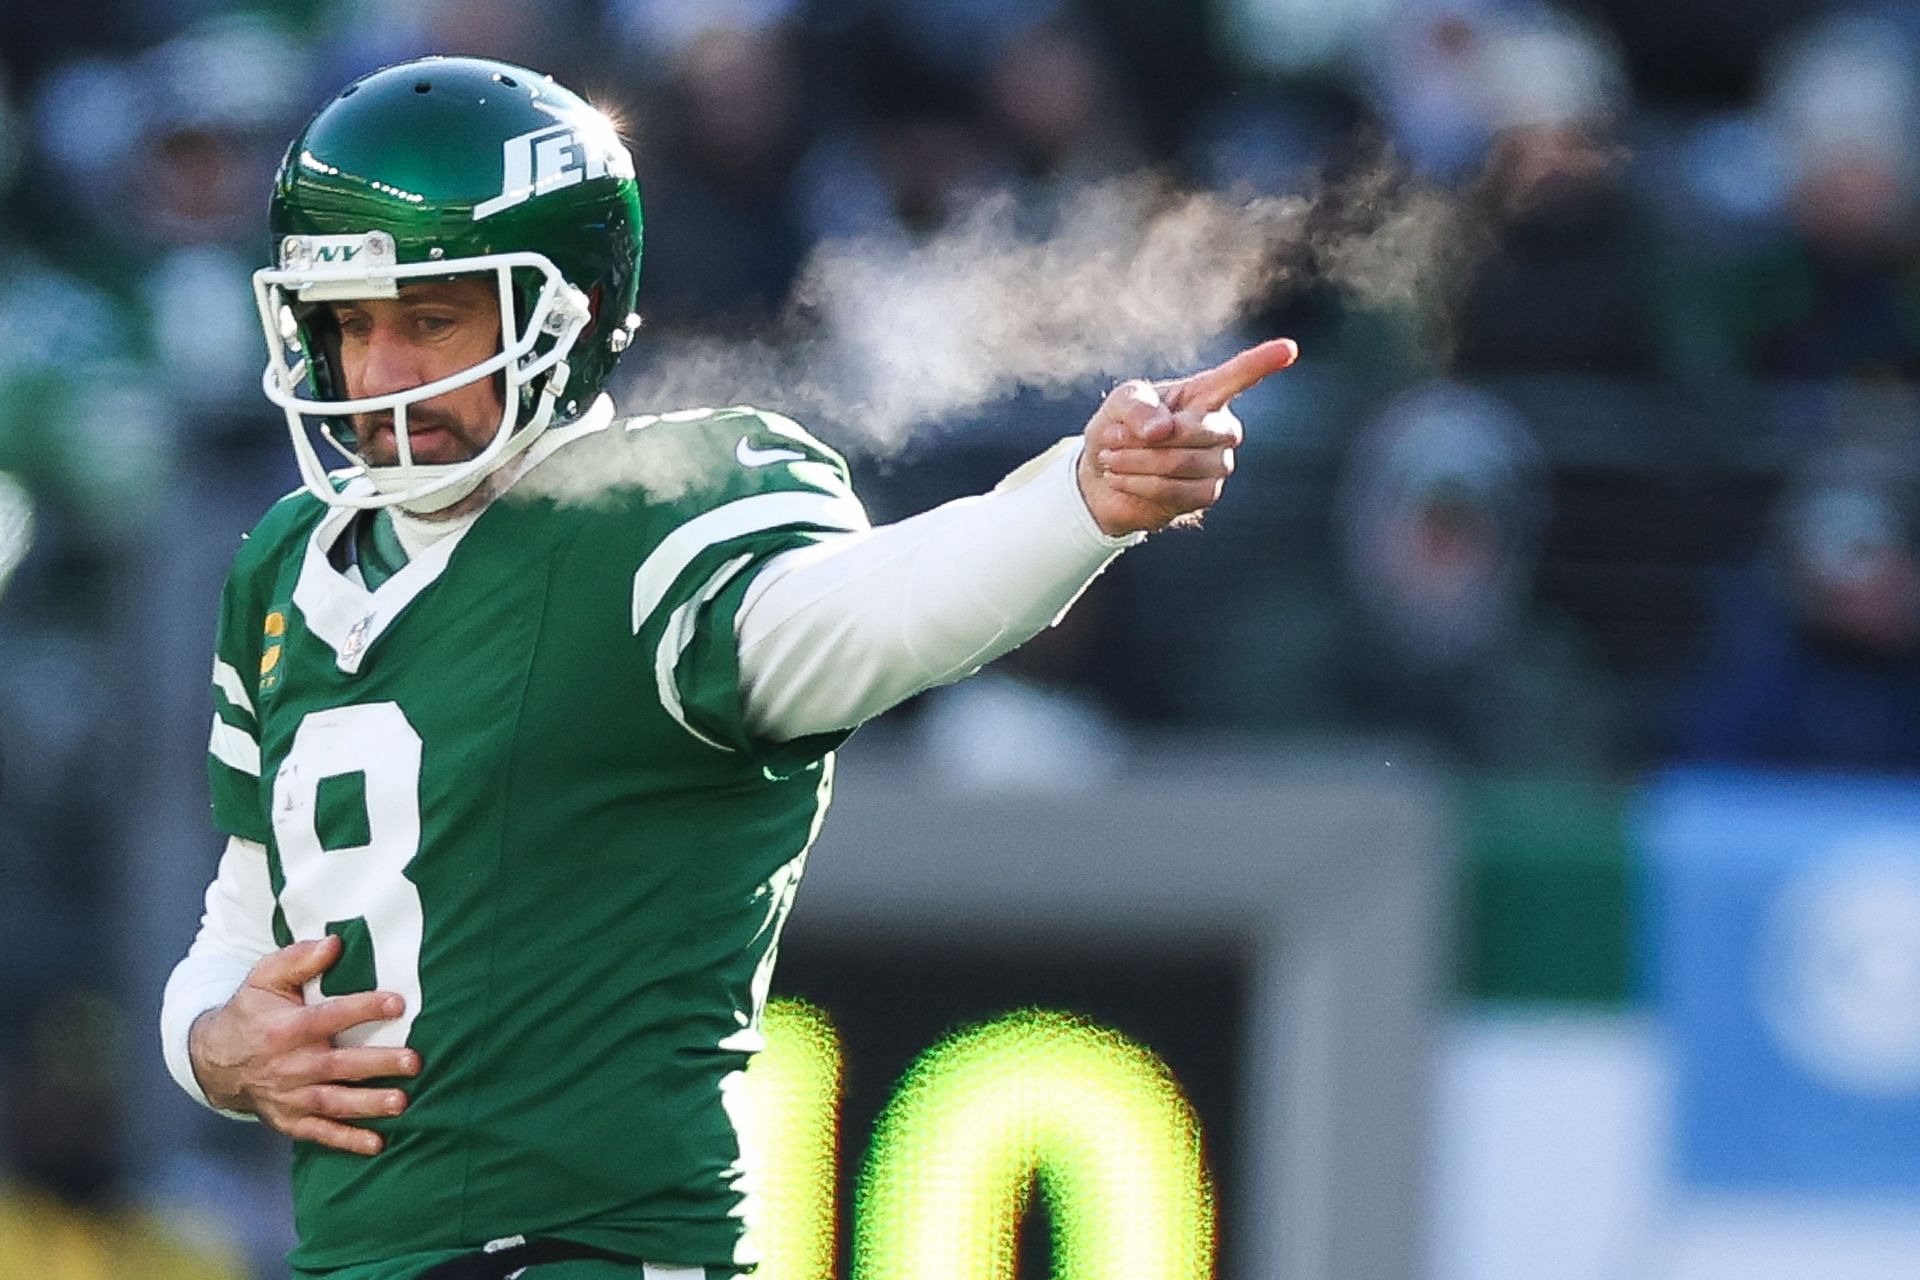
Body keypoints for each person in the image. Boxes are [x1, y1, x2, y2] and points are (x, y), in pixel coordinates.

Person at [157, 55, 1294, 1280]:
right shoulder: (288, 563)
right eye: (351, 323)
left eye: (431, 317)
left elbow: (879, 609)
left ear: (566, 310)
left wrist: (1080, 499)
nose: (381, 375)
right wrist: (219, 1044)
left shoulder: (657, 514)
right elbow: (242, 929)